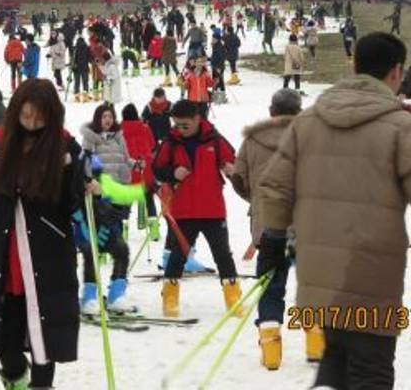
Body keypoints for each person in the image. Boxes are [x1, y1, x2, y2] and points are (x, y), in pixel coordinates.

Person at [258, 32, 411, 390]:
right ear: (396, 71)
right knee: (371, 369)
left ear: (355, 66)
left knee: (337, 358)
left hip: (318, 274)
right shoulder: (400, 127)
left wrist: (275, 240)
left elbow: (274, 187)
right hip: (372, 274)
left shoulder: (308, 121)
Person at [0, 79, 81, 389]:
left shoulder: (64, 149)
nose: (32, 123)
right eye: (26, 116)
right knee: (6, 347)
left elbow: (71, 204)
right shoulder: (4, 144)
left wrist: (83, 181)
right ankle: (16, 380)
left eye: (39, 117)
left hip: (47, 259)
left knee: (43, 344)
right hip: (9, 261)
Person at [231, 89, 304, 370]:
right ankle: (316, 343)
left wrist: (257, 201)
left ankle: (271, 351)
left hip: (269, 225)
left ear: (271, 111)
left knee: (271, 287)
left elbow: (239, 179)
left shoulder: (253, 139)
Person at [152, 100, 241, 318]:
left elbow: (233, 160)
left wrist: (231, 169)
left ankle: (233, 297)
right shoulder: (171, 142)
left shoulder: (215, 139)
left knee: (223, 254)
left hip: (212, 209)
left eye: (185, 125)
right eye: (177, 124)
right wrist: (173, 173)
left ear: (197, 119)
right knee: (178, 256)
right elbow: (157, 170)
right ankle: (170, 297)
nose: (180, 129)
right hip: (184, 210)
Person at [79, 104, 135, 313]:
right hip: (97, 199)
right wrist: (90, 180)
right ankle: (90, 296)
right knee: (93, 248)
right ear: (98, 119)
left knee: (120, 248)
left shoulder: (119, 137)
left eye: (110, 116)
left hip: (116, 196)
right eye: (104, 117)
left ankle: (116, 294)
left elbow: (125, 159)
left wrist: (134, 165)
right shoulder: (91, 138)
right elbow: (85, 162)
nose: (108, 120)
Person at [121, 103, 158, 238]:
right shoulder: (145, 128)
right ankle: (154, 231)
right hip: (145, 168)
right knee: (149, 200)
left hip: (128, 170)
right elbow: (153, 145)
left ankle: (123, 231)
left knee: (126, 203)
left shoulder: (119, 130)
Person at [72, 36, 92, 103]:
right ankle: (85, 96)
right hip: (85, 67)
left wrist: (73, 65)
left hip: (76, 68)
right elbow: (89, 58)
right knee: (85, 82)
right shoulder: (87, 48)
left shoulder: (75, 48)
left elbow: (73, 58)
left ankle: (76, 96)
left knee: (77, 82)